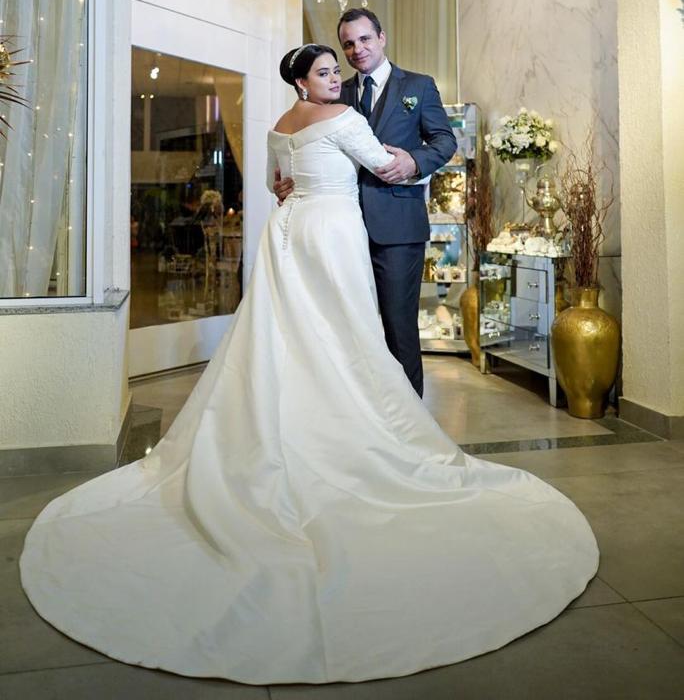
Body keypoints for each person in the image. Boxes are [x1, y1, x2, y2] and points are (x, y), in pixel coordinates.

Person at [20, 45, 599, 686]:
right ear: (302, 80)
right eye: (324, 72)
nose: (336, 78)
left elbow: (277, 184)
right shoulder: (346, 118)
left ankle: (290, 416)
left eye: (335, 71)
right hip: (332, 232)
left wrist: (302, 181)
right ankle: (349, 426)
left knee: (286, 331)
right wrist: (415, 159)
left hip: (288, 231)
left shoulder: (278, 125)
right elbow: (385, 164)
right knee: (347, 330)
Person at [274, 9, 456, 397]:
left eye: (364, 39)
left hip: (397, 228)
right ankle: (362, 411)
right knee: (349, 326)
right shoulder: (335, 90)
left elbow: (445, 141)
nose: (357, 49)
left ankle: (409, 418)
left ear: (381, 37)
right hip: (342, 231)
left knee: (398, 327)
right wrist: (293, 181)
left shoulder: (419, 86)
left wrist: (413, 162)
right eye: (348, 44)